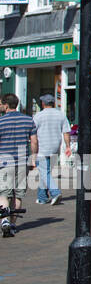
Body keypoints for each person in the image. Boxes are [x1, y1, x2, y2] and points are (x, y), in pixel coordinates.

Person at [0, 94, 37, 237]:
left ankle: (4, 220)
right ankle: (13, 224)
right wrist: (33, 159)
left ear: (6, 105)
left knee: (4, 194)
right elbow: (33, 141)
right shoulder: (28, 120)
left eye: (0, 104)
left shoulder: (1, 121)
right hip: (22, 162)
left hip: (4, 163)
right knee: (18, 194)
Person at [32, 94, 70, 206]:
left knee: (44, 172)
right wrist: (68, 146)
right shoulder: (61, 115)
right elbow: (66, 132)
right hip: (55, 148)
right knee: (45, 173)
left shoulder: (38, 116)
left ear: (43, 103)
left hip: (42, 148)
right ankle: (42, 197)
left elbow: (33, 134)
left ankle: (55, 192)